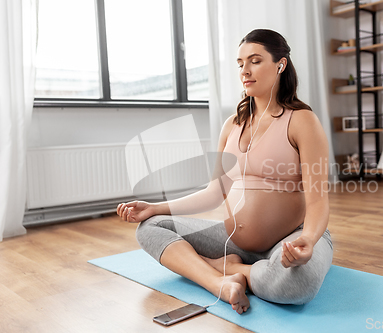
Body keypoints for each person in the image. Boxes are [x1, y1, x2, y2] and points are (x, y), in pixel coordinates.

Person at [116, 29, 333, 315]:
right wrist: (155, 207)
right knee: (150, 227)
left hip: (289, 239)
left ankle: (231, 269)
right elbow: (214, 193)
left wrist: (308, 239)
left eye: (255, 61)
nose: (245, 70)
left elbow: (318, 200)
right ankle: (219, 283)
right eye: (240, 63)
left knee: (299, 285)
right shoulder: (232, 125)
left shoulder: (302, 121)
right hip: (233, 239)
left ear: (280, 65)